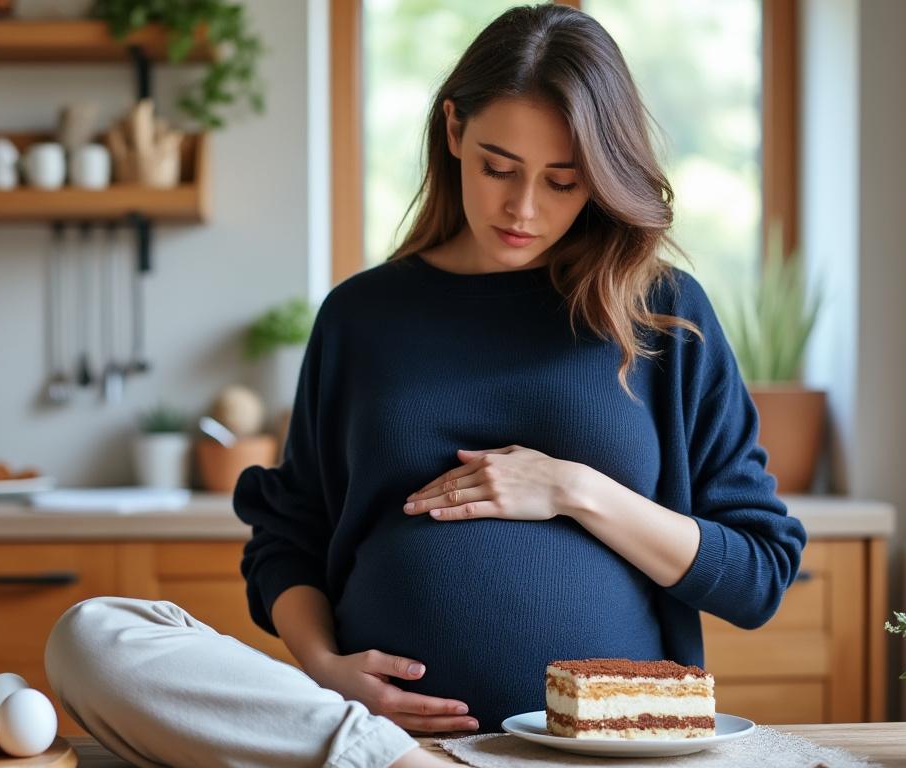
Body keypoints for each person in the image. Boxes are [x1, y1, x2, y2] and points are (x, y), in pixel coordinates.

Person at [44, 4, 807, 767]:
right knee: (91, 637)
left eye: (564, 181)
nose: (524, 208)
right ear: (453, 132)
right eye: (498, 167)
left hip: (597, 751)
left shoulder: (662, 313)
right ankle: (375, 757)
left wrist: (573, 489)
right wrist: (325, 669)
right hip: (383, 743)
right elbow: (289, 537)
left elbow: (758, 574)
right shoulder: (362, 316)